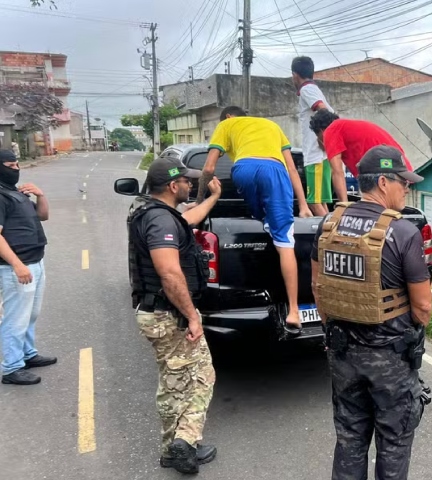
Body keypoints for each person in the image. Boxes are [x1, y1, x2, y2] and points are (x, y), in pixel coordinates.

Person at [311, 145, 432, 480]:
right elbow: (422, 306)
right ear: (382, 182)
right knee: (393, 443)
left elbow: (318, 287)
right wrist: (414, 332)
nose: (406, 187)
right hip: (389, 358)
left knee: (350, 437)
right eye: (402, 182)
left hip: (343, 353)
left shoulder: (328, 225)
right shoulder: (403, 231)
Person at [129, 157, 222, 474]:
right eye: (186, 181)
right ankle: (180, 444)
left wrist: (211, 198)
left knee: (182, 380)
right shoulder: (161, 222)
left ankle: (179, 445)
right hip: (170, 315)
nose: (189, 185)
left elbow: (187, 220)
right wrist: (192, 316)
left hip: (159, 312)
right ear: (172, 186)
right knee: (189, 381)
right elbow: (169, 273)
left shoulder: (155, 213)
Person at [198, 106, 312, 334]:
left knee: (259, 214)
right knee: (285, 240)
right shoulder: (272, 125)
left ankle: (264, 220)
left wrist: (200, 200)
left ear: (229, 116)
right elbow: (291, 168)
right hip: (275, 170)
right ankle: (293, 310)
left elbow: (209, 167)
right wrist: (304, 206)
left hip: (243, 170)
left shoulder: (226, 125)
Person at [0, 149, 53, 386]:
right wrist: (17, 265)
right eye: (10, 165)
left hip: (35, 261)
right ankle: (11, 367)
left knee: (30, 315)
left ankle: (28, 354)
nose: (16, 169)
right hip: (17, 267)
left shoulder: (14, 192)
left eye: (17, 164)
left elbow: (42, 216)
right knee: (16, 318)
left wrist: (41, 196)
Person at [309, 110, 415, 203]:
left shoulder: (331, 130)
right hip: (399, 172)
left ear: (321, 131)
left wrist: (344, 206)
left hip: (386, 174)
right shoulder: (346, 128)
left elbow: (337, 172)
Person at [291, 56, 335, 217]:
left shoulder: (306, 89)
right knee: (321, 201)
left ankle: (332, 238)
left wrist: (320, 138)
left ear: (295, 75)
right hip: (321, 156)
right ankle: (331, 236)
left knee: (313, 202)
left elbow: (322, 109)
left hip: (315, 155)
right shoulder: (313, 89)